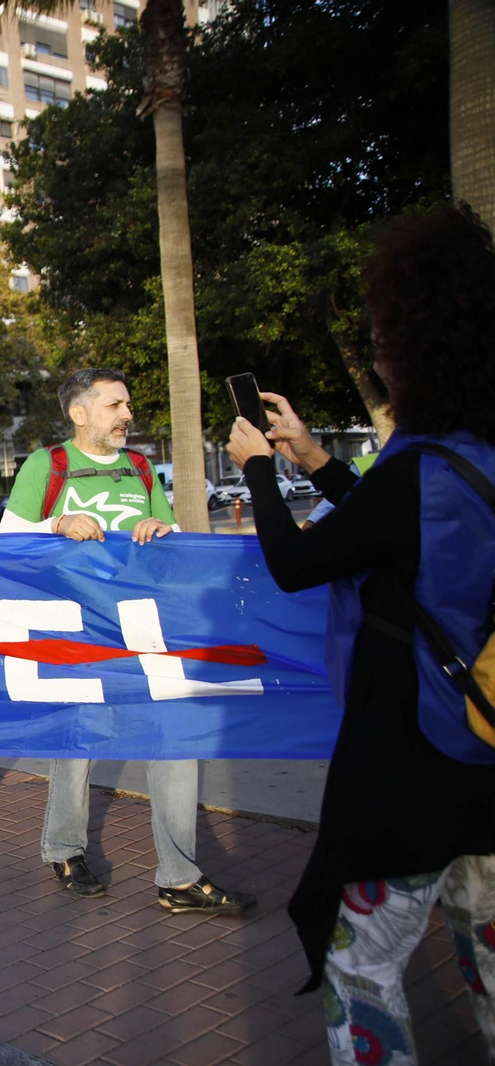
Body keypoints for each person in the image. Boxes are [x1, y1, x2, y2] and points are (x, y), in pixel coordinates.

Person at [227, 204, 495, 1058]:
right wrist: (317, 461)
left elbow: (300, 563)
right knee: (488, 947)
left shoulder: (416, 469)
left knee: (362, 969)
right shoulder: (469, 457)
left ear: (413, 347)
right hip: (489, 748)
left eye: (383, 340)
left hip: (413, 760)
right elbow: (399, 530)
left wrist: (259, 472)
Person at [0, 368, 254, 914]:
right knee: (78, 745)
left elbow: (173, 537)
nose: (127, 414)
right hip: (75, 629)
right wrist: (55, 525)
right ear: (80, 413)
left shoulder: (140, 467)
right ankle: (64, 851)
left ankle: (179, 879)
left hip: (143, 626)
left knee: (175, 741)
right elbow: (5, 543)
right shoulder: (46, 465)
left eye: (128, 405)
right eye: (115, 405)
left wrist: (163, 532)